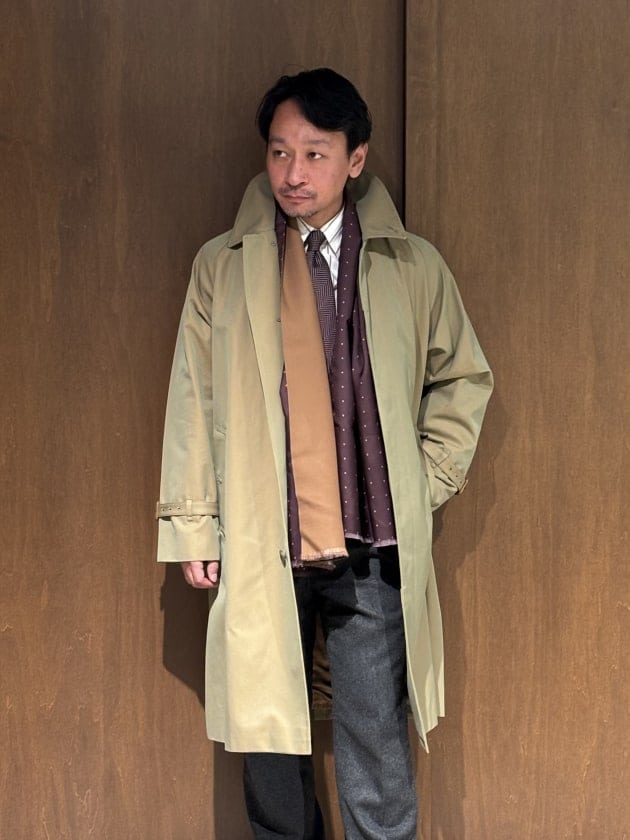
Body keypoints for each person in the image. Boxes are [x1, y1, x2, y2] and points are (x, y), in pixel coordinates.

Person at [156, 67, 493, 840]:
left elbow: (463, 378)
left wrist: (423, 482)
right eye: (279, 152)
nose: (293, 173)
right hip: (260, 538)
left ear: (355, 158)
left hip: (371, 545)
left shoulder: (410, 265)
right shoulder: (223, 265)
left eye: (314, 153)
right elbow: (192, 400)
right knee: (268, 742)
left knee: (375, 736)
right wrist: (194, 525)